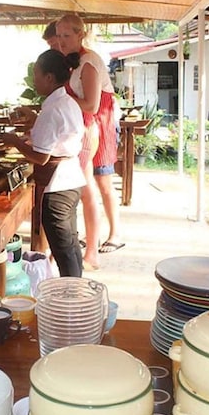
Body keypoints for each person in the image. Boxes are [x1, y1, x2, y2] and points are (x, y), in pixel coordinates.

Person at [1, 50, 85, 277]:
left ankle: (73, 296)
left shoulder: (53, 108)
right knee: (70, 243)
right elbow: (57, 134)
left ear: (49, 77)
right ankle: (77, 289)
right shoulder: (66, 102)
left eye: (36, 74)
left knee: (64, 249)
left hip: (57, 185)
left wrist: (14, 140)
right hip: (71, 181)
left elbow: (40, 156)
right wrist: (34, 118)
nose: (34, 79)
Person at [56, 14, 124, 269]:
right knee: (86, 189)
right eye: (59, 36)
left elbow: (91, 105)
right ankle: (88, 244)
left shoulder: (88, 62)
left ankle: (93, 250)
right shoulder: (74, 61)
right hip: (80, 128)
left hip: (90, 128)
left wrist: (59, 102)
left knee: (91, 189)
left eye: (67, 36)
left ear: (80, 35)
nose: (62, 41)